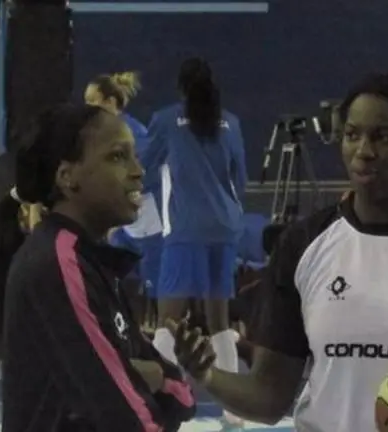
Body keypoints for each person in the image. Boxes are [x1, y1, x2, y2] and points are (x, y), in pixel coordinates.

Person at [166, 72, 388, 431]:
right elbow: (269, 397)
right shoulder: (303, 244)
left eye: (383, 137)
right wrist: (207, 374)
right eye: (352, 135)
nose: (363, 151)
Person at [0, 103, 196, 432]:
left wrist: (146, 375)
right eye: (117, 157)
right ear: (68, 177)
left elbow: (181, 395)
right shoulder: (59, 263)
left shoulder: (94, 262)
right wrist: (142, 376)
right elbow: (126, 416)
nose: (138, 171)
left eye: (135, 156)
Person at [139, 57, 247, 430]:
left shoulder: (166, 120)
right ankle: (235, 411)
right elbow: (240, 178)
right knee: (220, 321)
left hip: (185, 229)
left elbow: (143, 168)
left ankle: (155, 403)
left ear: (181, 88)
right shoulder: (231, 122)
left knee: (169, 321)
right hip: (226, 227)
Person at [85, 71, 164, 318]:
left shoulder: (133, 132)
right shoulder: (99, 135)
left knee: (157, 292)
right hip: (124, 226)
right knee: (113, 282)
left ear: (110, 102)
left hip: (148, 224)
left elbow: (150, 171)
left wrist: (132, 193)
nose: (88, 107)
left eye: (93, 100)